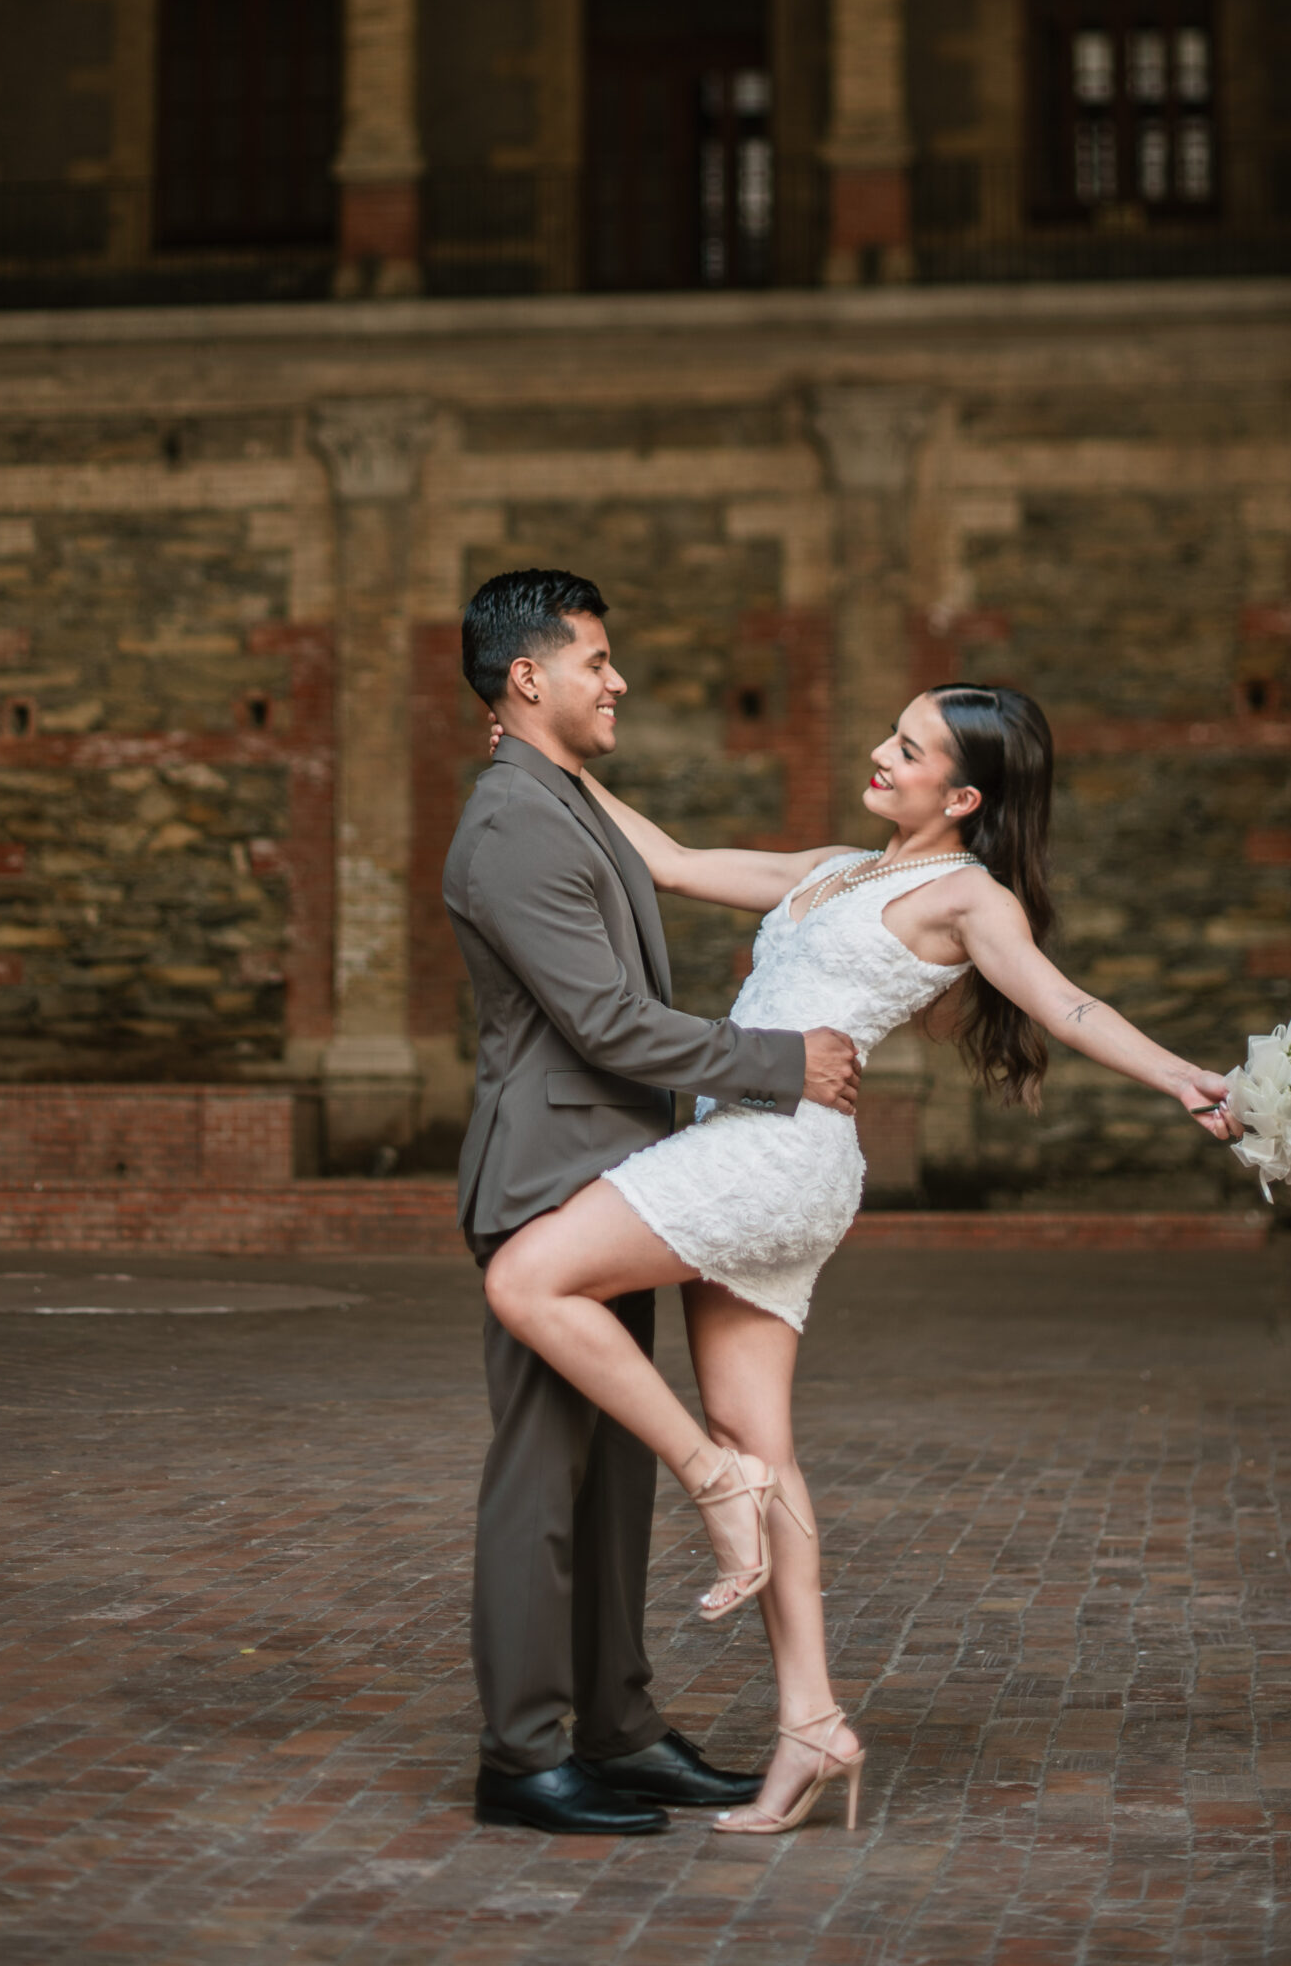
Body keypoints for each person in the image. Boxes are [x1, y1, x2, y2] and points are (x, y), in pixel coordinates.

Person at [482, 675, 1245, 1837]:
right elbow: (670, 860)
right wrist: (549, 757)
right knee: (769, 1443)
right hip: (763, 1148)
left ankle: (706, 1476)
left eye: (912, 747)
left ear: (964, 794)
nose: (882, 752)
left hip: (771, 1156)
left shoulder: (967, 896)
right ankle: (811, 1723)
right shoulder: (835, 865)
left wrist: (1186, 1077)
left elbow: (1067, 1005)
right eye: (893, 732)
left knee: (527, 1278)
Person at [443, 569, 862, 1836]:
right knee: (542, 1477)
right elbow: (607, 1022)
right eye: (598, 660)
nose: (618, 679)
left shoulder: (563, 797)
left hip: (616, 1178)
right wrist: (783, 1064)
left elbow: (677, 868)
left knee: (614, 1476)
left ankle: (616, 1729)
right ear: (529, 677)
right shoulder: (511, 823)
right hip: (542, 1174)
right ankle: (523, 1754)